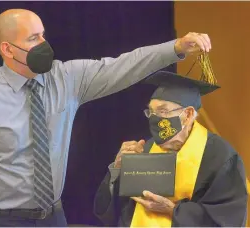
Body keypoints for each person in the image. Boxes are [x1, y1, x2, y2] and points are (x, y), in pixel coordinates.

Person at [0, 8, 212, 227]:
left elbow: (123, 66)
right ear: (7, 49)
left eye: (43, 35)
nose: (43, 44)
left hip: (55, 216)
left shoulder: (66, 78)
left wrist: (177, 48)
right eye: (33, 38)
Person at [94, 70, 248, 227]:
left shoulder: (220, 157)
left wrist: (173, 210)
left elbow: (229, 219)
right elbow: (116, 210)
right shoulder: (146, 149)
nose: (155, 119)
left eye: (163, 111)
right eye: (151, 112)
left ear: (187, 114)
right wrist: (117, 170)